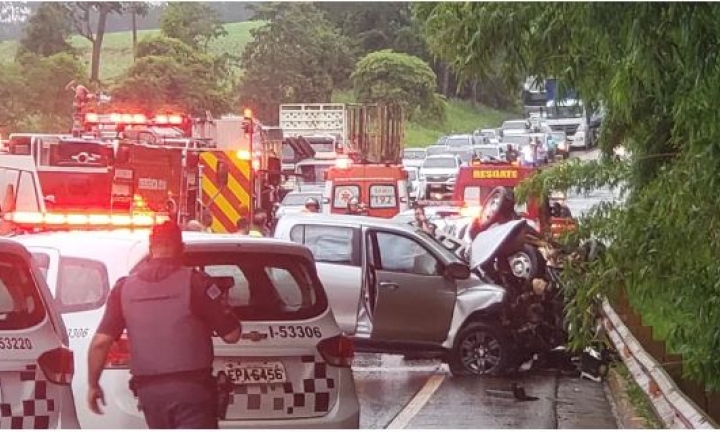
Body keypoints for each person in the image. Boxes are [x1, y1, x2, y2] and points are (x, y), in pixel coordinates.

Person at [86, 221, 242, 429]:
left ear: (151, 248)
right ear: (181, 248)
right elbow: (232, 335)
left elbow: (100, 343)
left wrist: (93, 384)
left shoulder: (124, 288)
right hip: (192, 391)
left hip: (150, 394)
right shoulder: (197, 283)